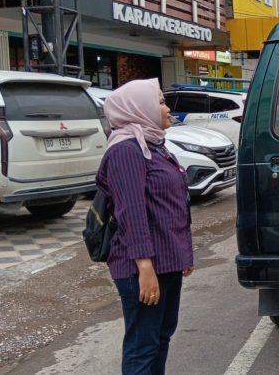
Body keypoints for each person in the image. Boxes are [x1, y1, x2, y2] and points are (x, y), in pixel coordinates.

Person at [97, 79, 194, 375]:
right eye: (161, 102)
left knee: (160, 337)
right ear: (140, 108)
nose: (167, 108)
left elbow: (172, 205)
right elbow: (132, 213)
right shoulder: (126, 150)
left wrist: (183, 255)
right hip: (142, 266)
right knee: (143, 346)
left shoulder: (153, 145)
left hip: (165, 261)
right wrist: (145, 268)